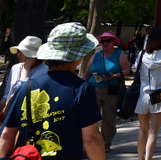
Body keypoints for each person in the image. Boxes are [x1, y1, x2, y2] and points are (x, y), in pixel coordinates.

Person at [0, 22, 103, 160]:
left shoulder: (25, 87)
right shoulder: (82, 90)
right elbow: (91, 139)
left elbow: (7, 135)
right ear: (78, 57)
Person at [134, 26, 161, 160]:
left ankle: (140, 158)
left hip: (143, 95)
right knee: (153, 131)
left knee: (143, 130)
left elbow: (136, 68)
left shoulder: (142, 55)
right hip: (159, 95)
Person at [83, 31, 129, 152]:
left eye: (108, 41)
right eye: (103, 41)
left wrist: (115, 76)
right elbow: (87, 73)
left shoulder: (119, 53)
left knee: (109, 118)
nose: (105, 43)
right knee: (89, 117)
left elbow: (126, 70)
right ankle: (88, 141)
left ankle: (105, 143)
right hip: (94, 89)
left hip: (111, 90)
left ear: (114, 42)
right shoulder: (97, 55)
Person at [1, 37, 47, 115]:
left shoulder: (43, 70)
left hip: (27, 113)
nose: (19, 55)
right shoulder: (15, 67)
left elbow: (23, 90)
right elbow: (7, 93)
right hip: (11, 112)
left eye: (25, 52)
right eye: (19, 51)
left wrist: (26, 68)